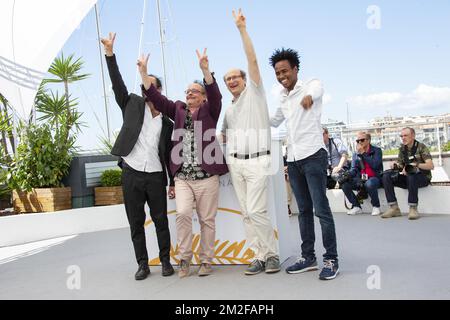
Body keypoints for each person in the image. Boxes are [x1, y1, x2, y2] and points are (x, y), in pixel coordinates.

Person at [140, 48, 228, 278]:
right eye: (187, 91)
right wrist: (144, 73)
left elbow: (217, 95)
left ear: (203, 96)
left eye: (194, 91)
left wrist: (205, 71)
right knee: (182, 215)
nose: (189, 94)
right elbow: (157, 99)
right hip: (182, 178)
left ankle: (206, 261)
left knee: (207, 220)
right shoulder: (178, 109)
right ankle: (185, 260)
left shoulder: (211, 109)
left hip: (207, 177)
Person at [101, 32, 175, 280]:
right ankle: (143, 264)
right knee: (136, 222)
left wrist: (172, 182)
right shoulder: (131, 103)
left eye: (150, 85)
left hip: (155, 175)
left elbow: (171, 157)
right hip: (131, 171)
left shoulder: (168, 122)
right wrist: (110, 54)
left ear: (158, 90)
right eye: (144, 86)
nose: (145, 90)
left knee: (160, 220)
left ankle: (165, 261)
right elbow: (117, 83)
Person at [269, 48, 339, 280]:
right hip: (294, 160)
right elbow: (273, 120)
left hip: (313, 156)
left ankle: (331, 259)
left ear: (295, 69)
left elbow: (317, 91)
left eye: (285, 71)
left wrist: (309, 97)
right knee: (303, 211)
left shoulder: (310, 84)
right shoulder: (282, 96)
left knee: (321, 210)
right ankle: (308, 257)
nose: (281, 76)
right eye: (278, 73)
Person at [221, 9, 280, 276]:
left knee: (257, 210)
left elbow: (252, 59)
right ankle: (257, 256)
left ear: (246, 80)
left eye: (235, 77)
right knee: (246, 213)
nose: (231, 81)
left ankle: (272, 255)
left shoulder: (255, 93)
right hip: (237, 164)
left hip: (259, 160)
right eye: (227, 79)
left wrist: (241, 29)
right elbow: (224, 134)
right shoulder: (229, 108)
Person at [381, 127, 434, 220]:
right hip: (408, 178)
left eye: (406, 135)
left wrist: (416, 165)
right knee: (386, 176)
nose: (403, 138)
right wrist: (395, 165)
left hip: (423, 178)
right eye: (401, 136)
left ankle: (413, 208)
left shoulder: (421, 147)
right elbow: (401, 165)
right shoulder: (402, 149)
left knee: (411, 174)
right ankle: (394, 208)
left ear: (413, 136)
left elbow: (430, 165)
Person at [342, 132, 383, 216]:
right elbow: (354, 169)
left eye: (362, 140)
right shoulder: (355, 154)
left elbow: (375, 165)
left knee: (370, 183)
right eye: (358, 141)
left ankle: (376, 206)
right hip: (361, 179)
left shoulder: (377, 151)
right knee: (344, 184)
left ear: (368, 141)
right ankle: (356, 206)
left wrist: (364, 154)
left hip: (375, 177)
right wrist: (347, 175)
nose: (359, 142)